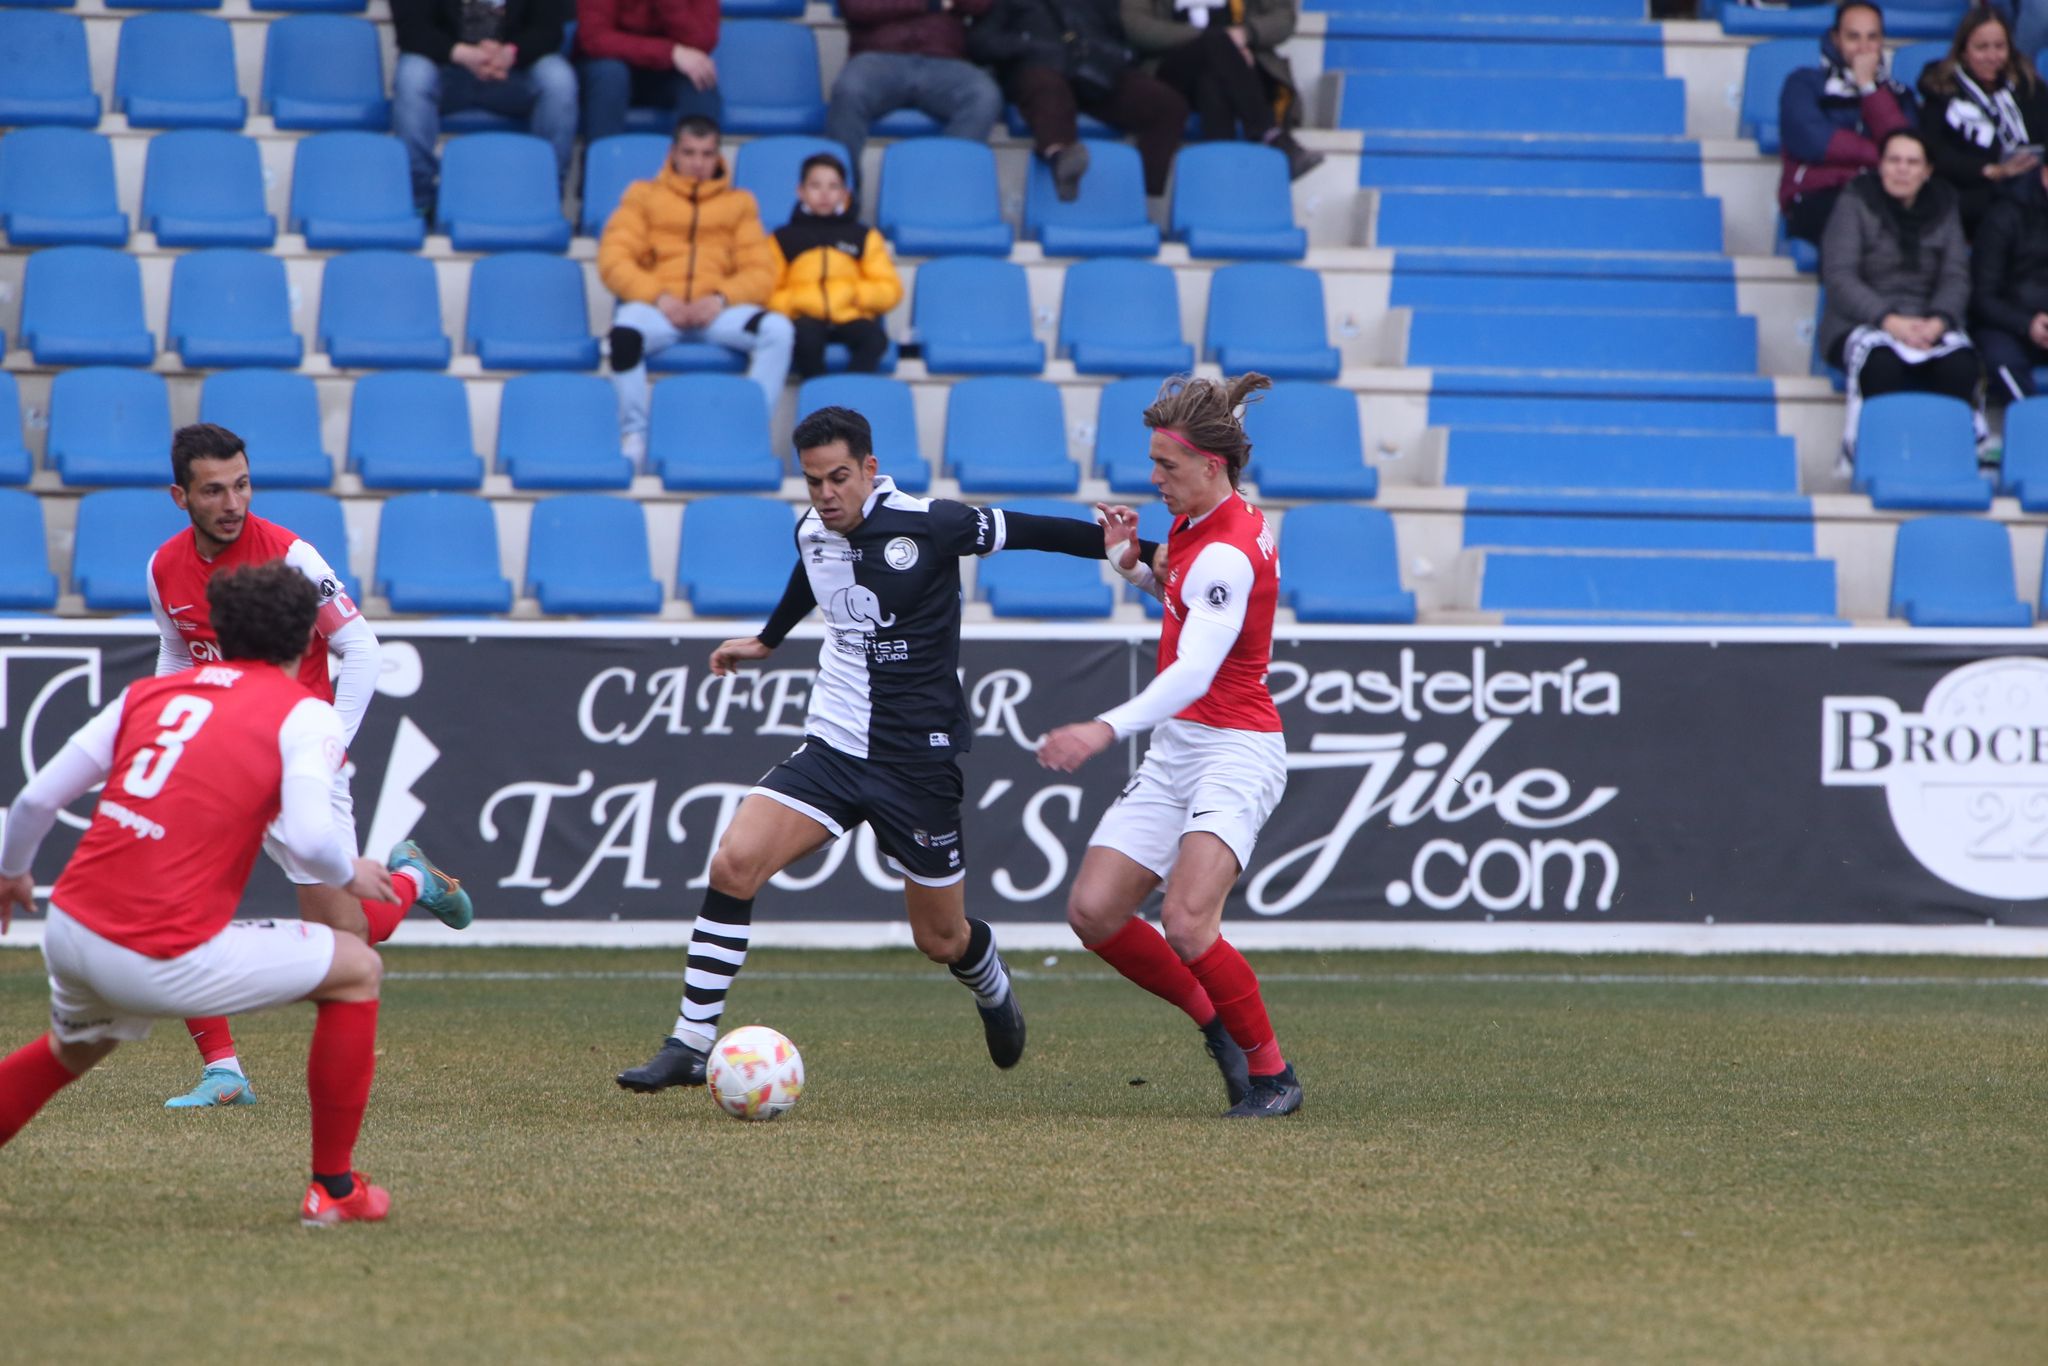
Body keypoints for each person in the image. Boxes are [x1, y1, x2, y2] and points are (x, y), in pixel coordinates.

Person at [614, 405, 1166, 1093]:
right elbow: (812, 573)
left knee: (941, 939)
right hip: (834, 747)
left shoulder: (932, 523)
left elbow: (1033, 531)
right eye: (813, 481)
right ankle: (691, 1044)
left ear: (870, 469)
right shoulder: (813, 529)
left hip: (917, 762)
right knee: (734, 862)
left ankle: (987, 974)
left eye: (839, 478)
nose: (826, 494)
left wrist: (1147, 553)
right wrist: (767, 640)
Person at [0, 563, 452, 1226]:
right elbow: (311, 836)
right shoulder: (305, 714)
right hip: (154, 952)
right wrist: (350, 872)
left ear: (219, 632)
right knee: (358, 967)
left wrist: (12, 873)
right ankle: (334, 1189)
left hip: (69, 929)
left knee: (75, 1048)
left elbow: (36, 799)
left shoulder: (149, 694)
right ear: (306, 640)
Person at [145, 423, 473, 1109]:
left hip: (297, 767)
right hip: (216, 764)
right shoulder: (163, 568)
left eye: (241, 485)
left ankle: (411, 879)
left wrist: (325, 747)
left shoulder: (292, 555)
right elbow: (177, 652)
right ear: (181, 497)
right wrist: (169, 728)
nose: (232, 503)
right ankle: (224, 1071)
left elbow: (363, 648)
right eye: (213, 491)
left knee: (342, 941)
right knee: (169, 898)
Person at [1036, 373, 1299, 1119]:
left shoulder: (1227, 550)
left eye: (1167, 465)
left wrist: (1103, 726)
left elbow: (1193, 672)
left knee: (1186, 921)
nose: (1154, 478)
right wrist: (1131, 564)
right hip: (1183, 746)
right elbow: (1183, 598)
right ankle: (1218, 1024)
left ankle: (1274, 1077)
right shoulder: (1200, 523)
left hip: (1236, 748)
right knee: (1094, 912)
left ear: (1211, 465)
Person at [598, 115, 796, 467]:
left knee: (778, 330)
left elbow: (762, 272)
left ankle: (750, 430)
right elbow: (613, 260)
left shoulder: (740, 203)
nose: (698, 163)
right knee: (623, 334)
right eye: (689, 153)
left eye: (706, 154)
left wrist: (720, 298)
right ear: (673, 153)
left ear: (718, 156)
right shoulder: (643, 196)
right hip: (659, 311)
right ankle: (634, 435)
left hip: (717, 314)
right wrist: (660, 297)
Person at [1821, 127, 1983, 463]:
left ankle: (1948, 461)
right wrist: (1890, 321)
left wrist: (1937, 322)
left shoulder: (1944, 204)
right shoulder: (1855, 201)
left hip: (1928, 323)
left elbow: (1955, 276)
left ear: (1927, 170)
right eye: (1893, 160)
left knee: (1960, 366)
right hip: (1861, 321)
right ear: (1880, 165)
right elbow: (1839, 276)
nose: (1902, 169)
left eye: (1912, 162)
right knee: (1882, 365)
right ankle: (1879, 460)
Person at [968, 0, 1190, 200]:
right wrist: (1027, 45)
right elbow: (980, 42)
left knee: (1166, 105)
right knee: (1047, 87)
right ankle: (1061, 155)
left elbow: (1120, 37)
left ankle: (1141, 197)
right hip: (1038, 66)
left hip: (1093, 71)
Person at [390, 0, 579, 214]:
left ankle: (546, 196)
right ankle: (420, 199)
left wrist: (510, 53)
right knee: (412, 76)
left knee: (558, 80)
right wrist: (462, 54)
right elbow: (411, 30)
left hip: (514, 72)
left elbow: (549, 31)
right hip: (445, 69)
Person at [1118, 0, 1323, 180]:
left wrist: (1245, 34)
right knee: (1215, 44)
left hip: (1241, 70)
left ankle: (1221, 182)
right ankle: (1272, 135)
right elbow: (1135, 25)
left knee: (1211, 84)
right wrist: (1216, 39)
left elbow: (1284, 18)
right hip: (1171, 69)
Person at [1779, 1, 1918, 256]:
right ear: (1836, 39)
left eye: (1872, 37)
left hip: (1883, 196)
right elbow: (1815, 142)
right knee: (1856, 225)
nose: (1864, 47)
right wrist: (1883, 156)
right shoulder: (1803, 84)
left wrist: (1869, 88)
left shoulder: (1899, 94)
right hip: (1818, 195)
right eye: (1853, 37)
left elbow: (1905, 147)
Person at [827, 0, 1004, 187]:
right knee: (849, 90)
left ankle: (939, 191)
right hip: (878, 59)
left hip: (944, 62)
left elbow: (980, 5)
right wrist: (928, 4)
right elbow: (856, 7)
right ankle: (841, 196)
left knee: (984, 96)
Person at [768, 153, 903, 381]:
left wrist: (856, 295)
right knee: (805, 339)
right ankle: (818, 399)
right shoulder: (782, 238)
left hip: (848, 314)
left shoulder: (863, 235)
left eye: (833, 186)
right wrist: (795, 302)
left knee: (875, 339)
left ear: (844, 193)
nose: (824, 193)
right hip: (805, 317)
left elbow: (890, 288)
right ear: (800, 191)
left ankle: (848, 398)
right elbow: (768, 291)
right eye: (815, 185)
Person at [1916, 5, 2048, 235]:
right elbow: (1935, 151)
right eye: (1982, 47)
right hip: (1973, 190)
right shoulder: (1941, 88)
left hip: (2031, 185)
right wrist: (1991, 170)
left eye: (1999, 46)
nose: (1992, 56)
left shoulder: (2028, 85)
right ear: (1963, 51)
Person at [574, 0, 722, 145]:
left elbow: (702, 42)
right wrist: (669, 53)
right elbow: (595, 38)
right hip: (606, 68)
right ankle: (602, 159)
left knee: (700, 77)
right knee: (610, 75)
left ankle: (696, 159)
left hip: (666, 73)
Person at [1971, 161, 2048, 401]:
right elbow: (1983, 297)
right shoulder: (2004, 215)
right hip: (2006, 324)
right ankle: (2033, 422)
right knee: (2003, 362)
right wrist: (2027, 323)